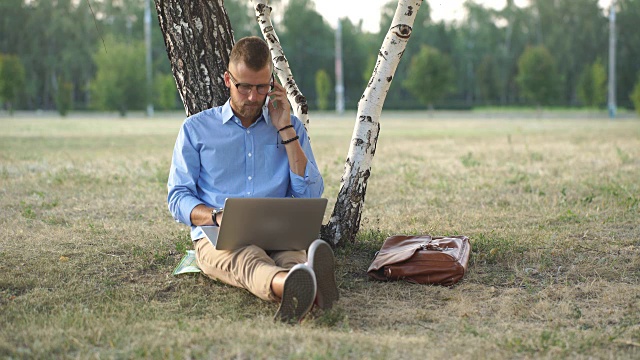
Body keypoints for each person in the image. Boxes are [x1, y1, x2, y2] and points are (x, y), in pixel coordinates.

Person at [167, 36, 338, 323]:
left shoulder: (290, 126)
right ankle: (292, 286)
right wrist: (216, 216)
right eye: (243, 86)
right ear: (227, 79)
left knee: (291, 255)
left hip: (280, 232)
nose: (252, 97)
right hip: (221, 236)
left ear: (272, 84)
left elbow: (309, 196)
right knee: (245, 260)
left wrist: (284, 128)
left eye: (261, 88)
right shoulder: (195, 130)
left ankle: (303, 277)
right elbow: (178, 197)